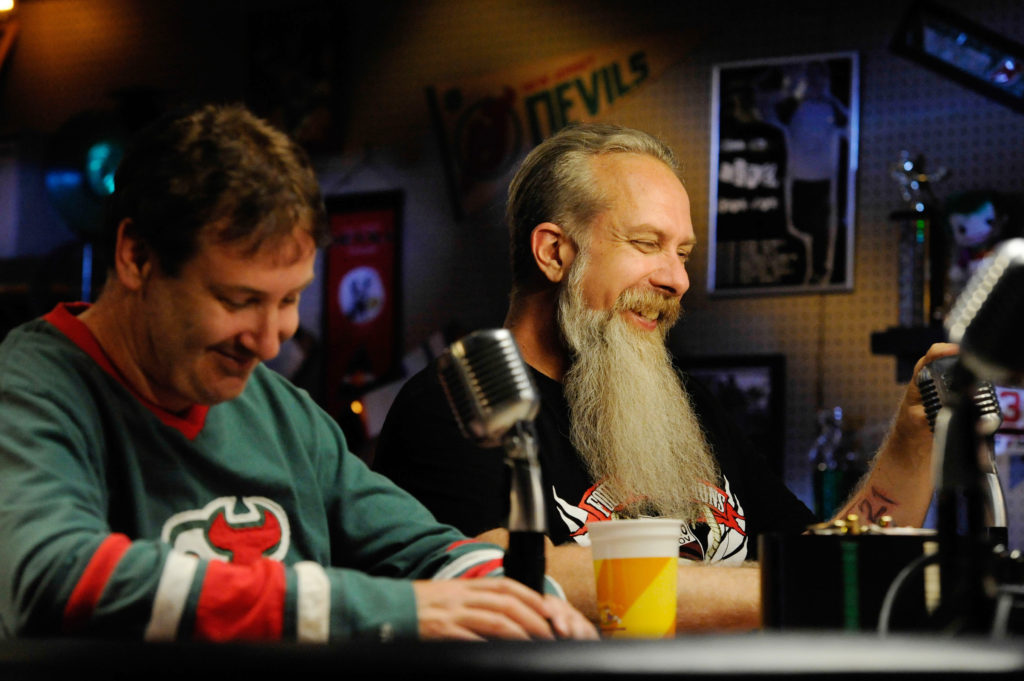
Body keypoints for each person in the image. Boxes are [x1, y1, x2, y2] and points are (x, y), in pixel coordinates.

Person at [0, 104, 596, 643]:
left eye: (289, 302)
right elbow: (54, 576)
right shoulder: (31, 386)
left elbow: (424, 548)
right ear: (136, 256)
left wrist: (524, 602)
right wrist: (393, 610)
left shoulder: (280, 410)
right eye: (238, 301)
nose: (268, 341)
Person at [373, 122, 953, 630]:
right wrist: (786, 591)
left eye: (684, 253)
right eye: (648, 243)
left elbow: (823, 570)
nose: (677, 279)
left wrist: (914, 438)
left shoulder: (685, 404)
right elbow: (500, 579)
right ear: (553, 253)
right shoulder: (453, 410)